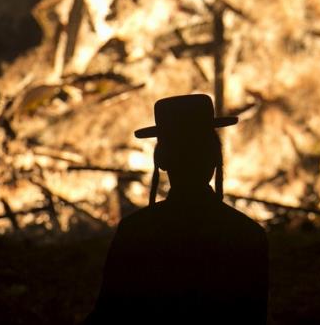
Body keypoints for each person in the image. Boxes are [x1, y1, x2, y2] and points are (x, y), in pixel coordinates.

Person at [84, 94, 268, 325]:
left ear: (161, 159)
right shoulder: (248, 234)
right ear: (215, 157)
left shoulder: (135, 232)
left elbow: (109, 314)